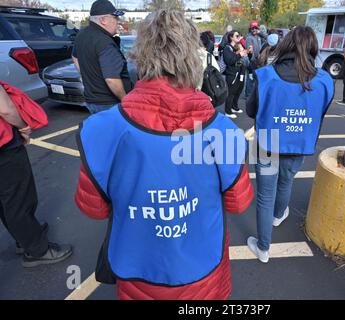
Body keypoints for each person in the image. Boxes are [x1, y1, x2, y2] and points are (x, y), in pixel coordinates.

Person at [74, 10, 254, 300]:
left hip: (138, 272)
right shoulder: (224, 131)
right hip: (203, 274)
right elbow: (238, 202)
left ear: (140, 56)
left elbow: (93, 209)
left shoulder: (100, 130)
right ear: (191, 58)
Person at [246, 26, 334, 263]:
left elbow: (250, 109)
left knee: (265, 194)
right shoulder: (325, 81)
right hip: (299, 141)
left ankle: (263, 248)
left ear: (286, 46)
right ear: (313, 48)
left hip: (268, 142)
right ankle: (278, 215)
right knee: (286, 182)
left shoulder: (266, 75)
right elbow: (321, 112)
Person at [0, 82, 72, 267]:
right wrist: (23, 127)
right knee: (19, 199)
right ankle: (37, 250)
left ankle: (24, 237)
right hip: (4, 147)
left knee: (5, 200)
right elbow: (6, 109)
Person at [72, 0, 132, 114]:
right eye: (115, 18)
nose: (118, 21)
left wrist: (89, 77)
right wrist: (125, 101)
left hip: (91, 100)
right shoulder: (105, 42)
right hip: (109, 104)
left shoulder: (82, 34)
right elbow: (111, 79)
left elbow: (75, 57)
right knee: (115, 131)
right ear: (103, 20)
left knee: (101, 130)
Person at [223, 30, 248, 118]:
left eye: (239, 35)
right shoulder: (227, 48)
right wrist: (239, 55)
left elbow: (244, 57)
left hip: (239, 71)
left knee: (237, 90)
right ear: (231, 38)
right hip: (232, 73)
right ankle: (228, 111)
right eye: (237, 36)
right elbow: (229, 61)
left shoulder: (236, 46)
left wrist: (248, 52)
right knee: (231, 92)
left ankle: (234, 107)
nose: (239, 37)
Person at [244, 21, 264, 98]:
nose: (254, 30)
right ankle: (248, 95)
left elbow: (267, 37)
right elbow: (249, 51)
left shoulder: (259, 37)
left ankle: (251, 93)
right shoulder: (249, 38)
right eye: (252, 28)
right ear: (250, 29)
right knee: (250, 78)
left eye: (256, 28)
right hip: (252, 61)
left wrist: (260, 33)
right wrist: (252, 61)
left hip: (257, 61)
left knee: (255, 78)